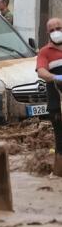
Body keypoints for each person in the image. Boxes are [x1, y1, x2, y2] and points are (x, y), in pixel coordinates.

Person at [35, 17, 62, 176]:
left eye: (58, 28)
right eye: (52, 30)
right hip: (56, 102)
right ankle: (58, 172)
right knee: (60, 138)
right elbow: (41, 71)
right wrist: (55, 78)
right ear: (48, 33)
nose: (56, 32)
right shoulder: (45, 52)